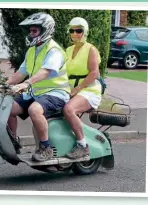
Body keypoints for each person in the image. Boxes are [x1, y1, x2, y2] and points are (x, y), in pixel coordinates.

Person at [6, 12, 71, 162]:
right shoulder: (32, 50)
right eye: (30, 31)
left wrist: (26, 83)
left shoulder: (54, 51)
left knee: (34, 109)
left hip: (56, 93)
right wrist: (5, 83)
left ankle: (45, 147)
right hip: (36, 93)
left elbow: (45, 72)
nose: (30, 34)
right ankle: (13, 143)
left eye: (34, 31)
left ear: (45, 30)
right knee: (8, 107)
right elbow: (21, 73)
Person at [63, 17, 102, 159]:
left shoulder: (90, 49)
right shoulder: (68, 50)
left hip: (89, 90)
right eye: (72, 31)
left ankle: (82, 145)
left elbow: (94, 73)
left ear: (85, 32)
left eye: (78, 30)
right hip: (71, 90)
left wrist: (77, 89)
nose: (75, 34)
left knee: (69, 109)